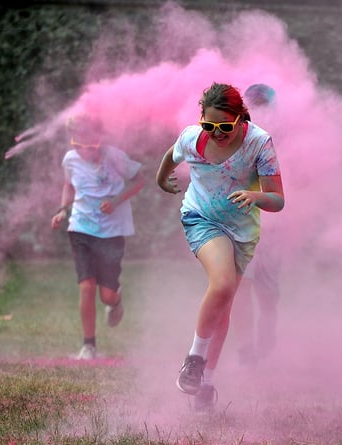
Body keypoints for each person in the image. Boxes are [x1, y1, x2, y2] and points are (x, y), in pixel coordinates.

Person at [155, 82, 284, 411]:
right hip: (201, 219)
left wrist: (255, 196)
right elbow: (171, 157)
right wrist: (161, 179)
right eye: (209, 125)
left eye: (224, 127)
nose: (216, 133)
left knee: (224, 307)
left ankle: (205, 387)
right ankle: (194, 360)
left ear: (241, 119)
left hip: (242, 232)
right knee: (223, 283)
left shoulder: (259, 142)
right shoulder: (191, 139)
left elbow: (278, 200)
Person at [51, 114, 145, 360]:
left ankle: (115, 300)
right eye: (77, 145)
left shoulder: (115, 157)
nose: (83, 151)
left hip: (112, 232)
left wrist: (115, 202)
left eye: (89, 146)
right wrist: (62, 210)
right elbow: (68, 185)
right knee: (86, 286)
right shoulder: (69, 160)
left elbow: (139, 181)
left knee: (107, 295)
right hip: (81, 227)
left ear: (99, 138)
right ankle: (89, 345)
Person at [232, 83, 282, 365]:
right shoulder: (234, 135)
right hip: (240, 223)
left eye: (264, 104)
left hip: (274, 226)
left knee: (268, 293)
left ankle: (267, 333)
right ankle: (245, 349)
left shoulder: (284, 138)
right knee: (242, 286)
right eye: (254, 104)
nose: (259, 109)